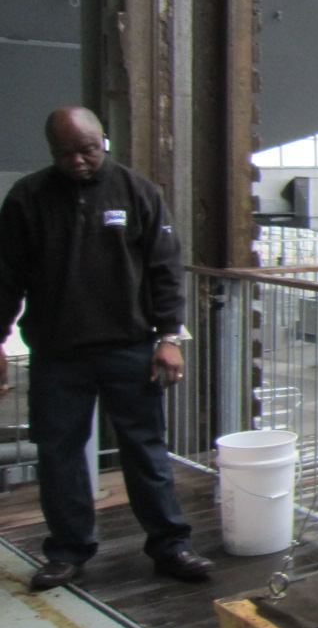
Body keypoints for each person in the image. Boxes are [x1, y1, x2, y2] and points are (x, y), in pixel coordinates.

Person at [0, 107, 213, 590]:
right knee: (59, 453)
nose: (77, 161)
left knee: (146, 448)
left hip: (131, 348)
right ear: (51, 151)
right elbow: (6, 278)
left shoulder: (137, 192)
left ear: (105, 142)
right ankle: (68, 551)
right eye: (65, 153)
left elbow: (165, 268)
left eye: (87, 150)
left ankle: (170, 544)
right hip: (59, 353)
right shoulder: (27, 199)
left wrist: (168, 337)